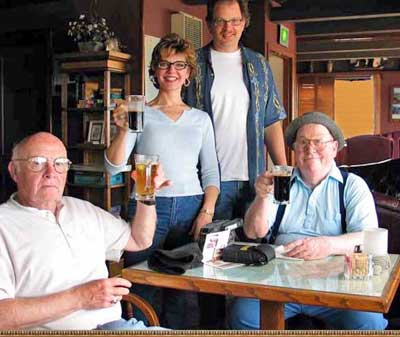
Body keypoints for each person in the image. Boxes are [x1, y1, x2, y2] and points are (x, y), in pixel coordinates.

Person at [229, 112, 388, 330]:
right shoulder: (280, 182)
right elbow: (253, 232)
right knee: (242, 317)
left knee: (368, 322)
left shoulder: (351, 186)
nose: (309, 148)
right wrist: (262, 196)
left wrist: (327, 245)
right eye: (302, 142)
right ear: (294, 150)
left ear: (334, 148)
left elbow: (366, 236)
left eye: (318, 142)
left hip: (338, 283)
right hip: (279, 281)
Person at [104, 33, 219, 329]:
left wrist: (206, 211)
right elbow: (113, 166)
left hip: (191, 208)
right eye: (164, 64)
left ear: (188, 73)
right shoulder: (139, 113)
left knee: (184, 289)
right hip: (146, 204)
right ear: (155, 70)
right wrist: (121, 130)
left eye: (179, 65)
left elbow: (210, 173)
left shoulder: (201, 119)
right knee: (143, 284)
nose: (171, 71)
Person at [0, 132, 171, 330]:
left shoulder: (83, 209)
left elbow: (140, 239)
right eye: (37, 162)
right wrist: (81, 297)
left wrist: (146, 195)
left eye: (60, 163)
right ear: (14, 171)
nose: (51, 172)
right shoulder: (4, 225)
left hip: (117, 326)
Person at [185, 0, 287, 221]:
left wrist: (283, 171)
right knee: (209, 249)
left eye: (234, 20)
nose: (227, 28)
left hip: (255, 181)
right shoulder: (192, 65)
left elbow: (271, 122)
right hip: (208, 182)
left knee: (253, 248)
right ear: (209, 24)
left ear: (244, 22)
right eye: (220, 21)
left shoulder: (259, 65)